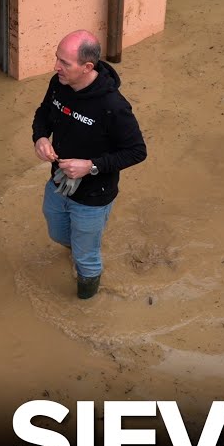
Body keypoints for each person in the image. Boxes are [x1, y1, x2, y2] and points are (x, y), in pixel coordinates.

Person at [32, 30, 147, 300]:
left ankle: (85, 300)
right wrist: (40, 137)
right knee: (57, 233)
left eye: (64, 62)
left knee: (86, 258)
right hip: (59, 183)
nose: (56, 67)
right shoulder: (58, 83)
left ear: (87, 67)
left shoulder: (113, 106)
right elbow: (43, 113)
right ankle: (80, 247)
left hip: (93, 198)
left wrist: (91, 166)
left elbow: (137, 151)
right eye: (57, 58)